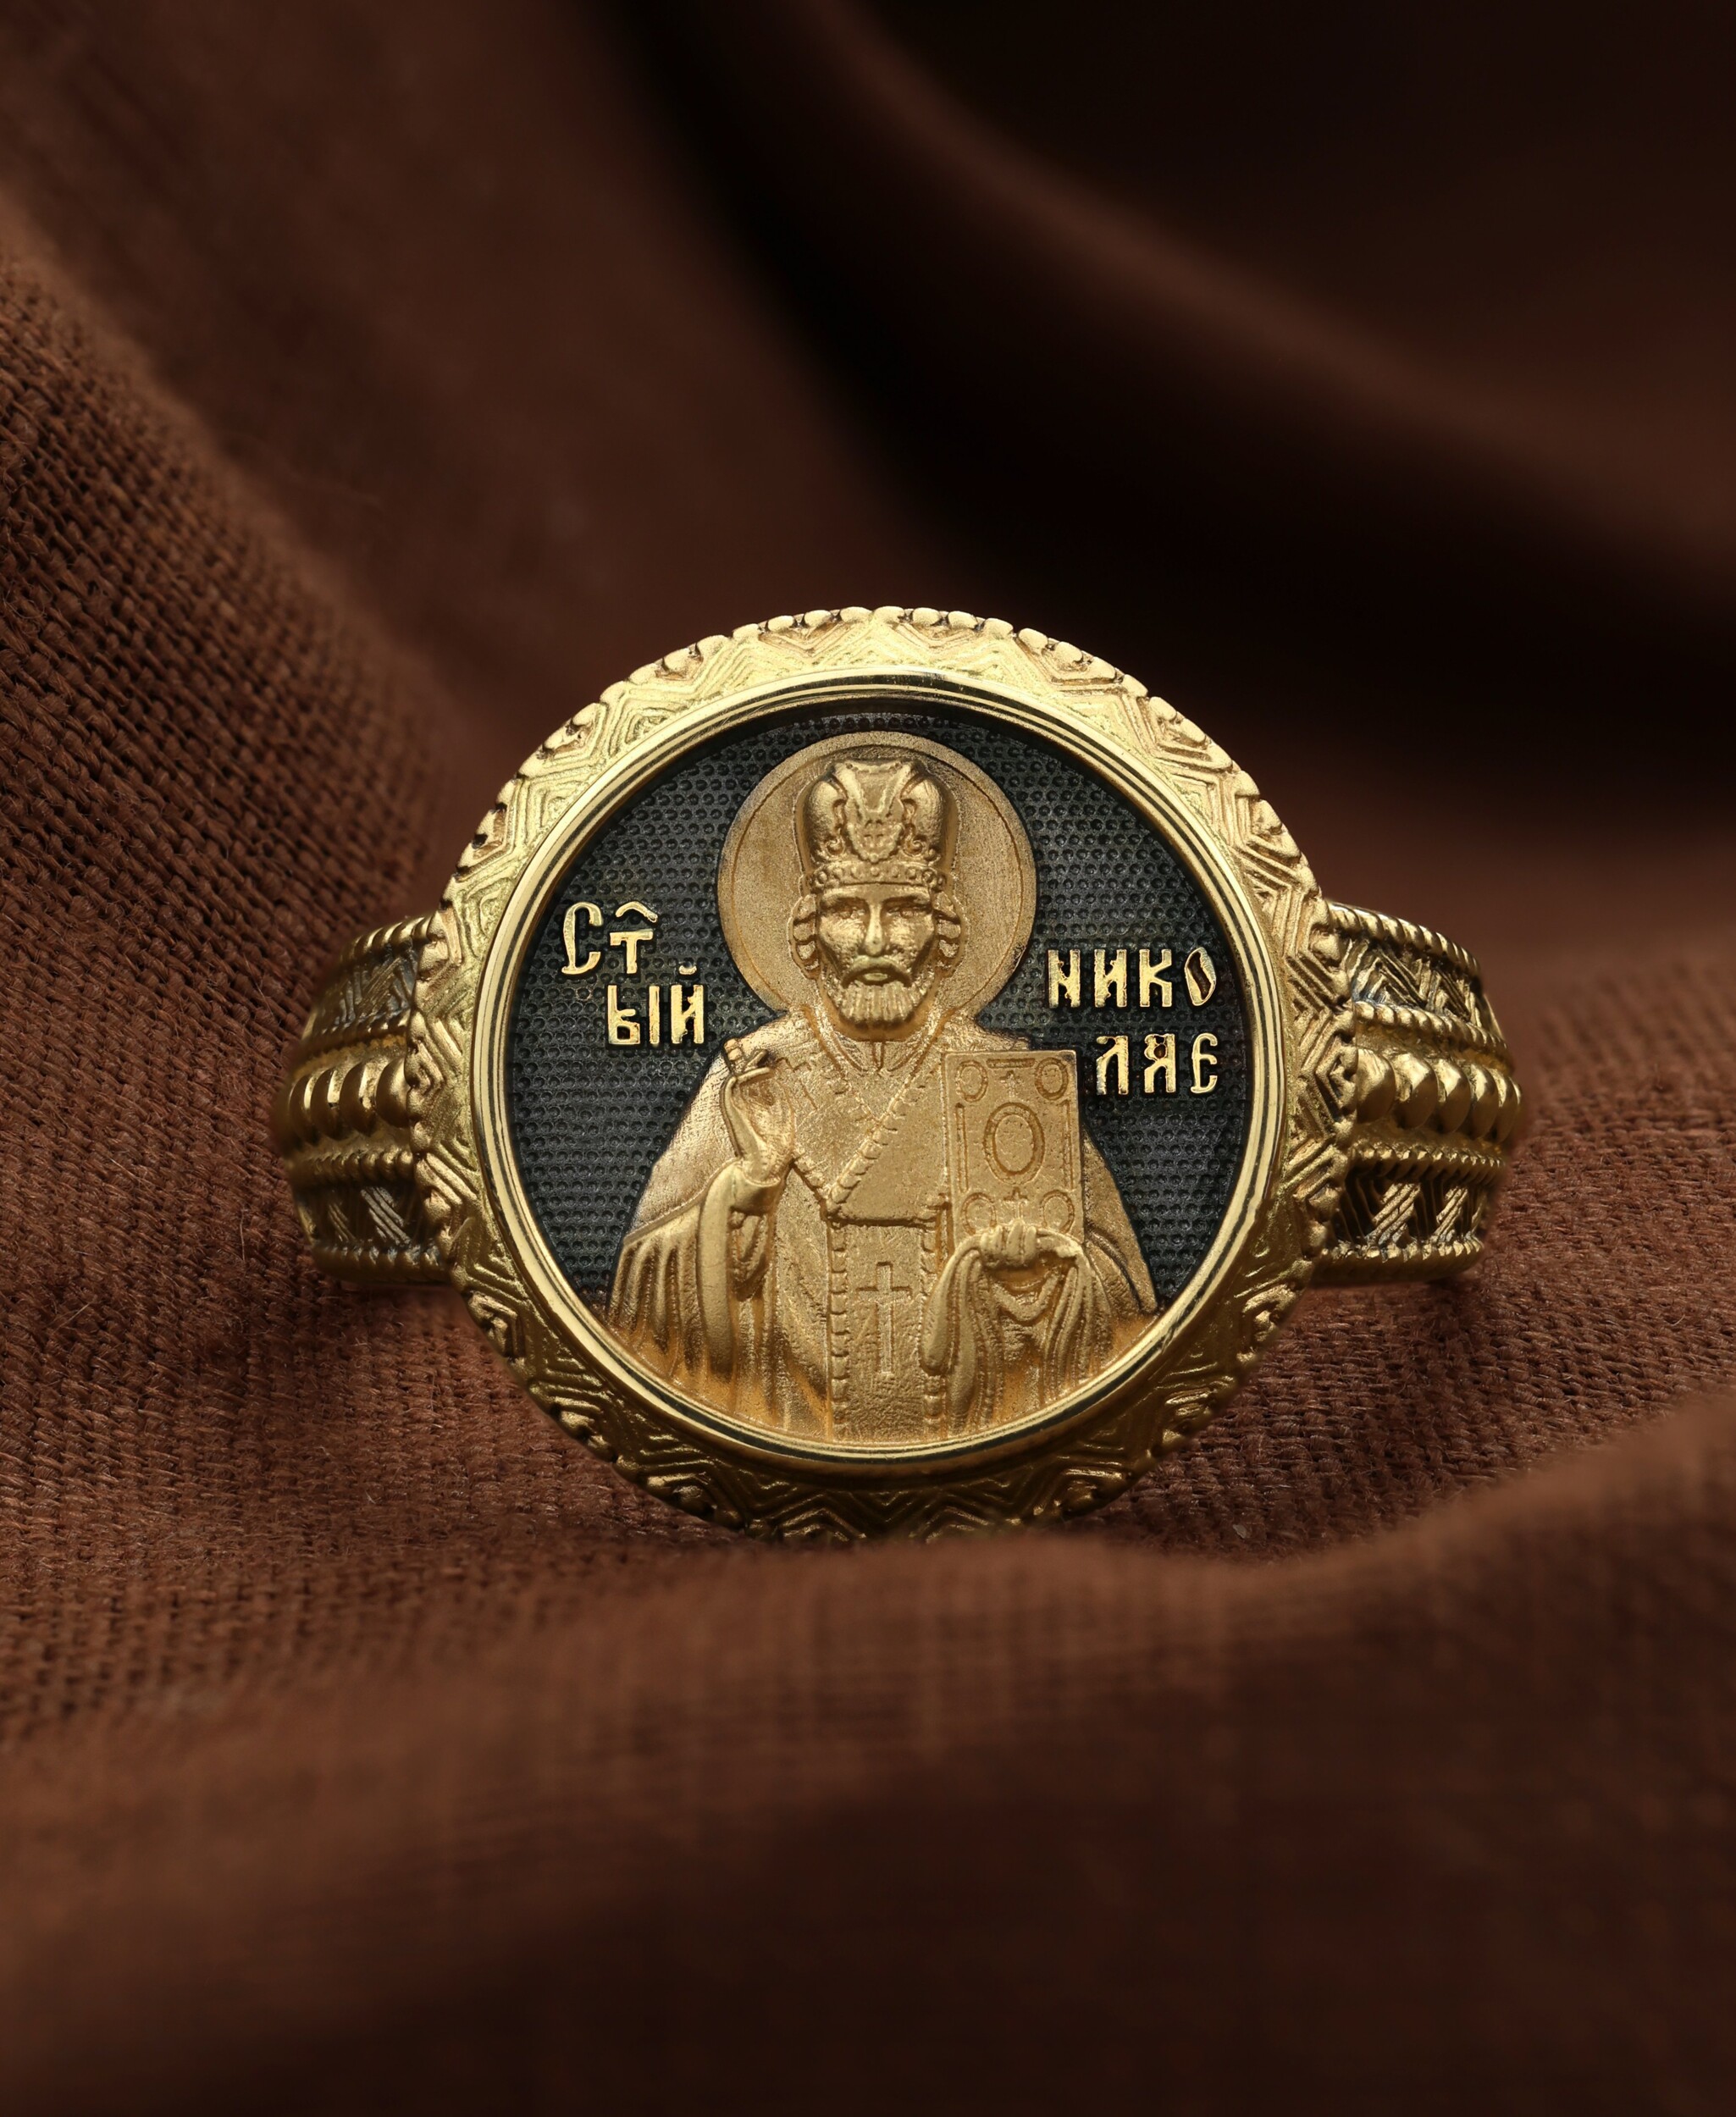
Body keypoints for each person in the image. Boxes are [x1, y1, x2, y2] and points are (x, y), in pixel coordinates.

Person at [608, 749, 1154, 1445]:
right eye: (845, 910)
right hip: (784, 1435)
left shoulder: (1008, 1080)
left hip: (981, 1436)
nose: (873, 940)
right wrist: (741, 1197)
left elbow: (1123, 1297)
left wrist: (1039, 1275)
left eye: (902, 910)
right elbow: (641, 1294)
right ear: (809, 928)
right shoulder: (754, 1075)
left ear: (944, 926)